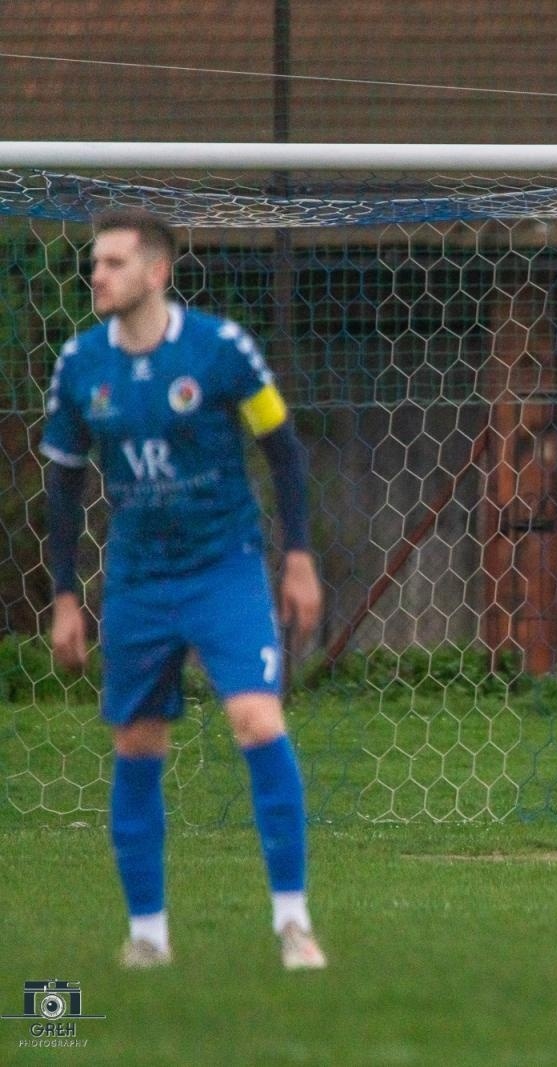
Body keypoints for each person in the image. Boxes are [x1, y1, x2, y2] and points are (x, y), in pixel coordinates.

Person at [42, 207, 326, 970]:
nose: (96, 273)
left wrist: (297, 557)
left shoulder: (220, 349)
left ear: (157, 272)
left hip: (223, 565)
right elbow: (63, 489)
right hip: (137, 577)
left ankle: (293, 922)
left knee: (257, 719)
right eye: (94, 262)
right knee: (138, 742)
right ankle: (148, 935)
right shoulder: (79, 366)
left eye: (113, 262)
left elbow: (286, 452)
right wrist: (65, 595)